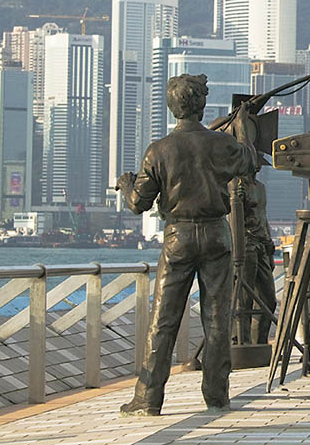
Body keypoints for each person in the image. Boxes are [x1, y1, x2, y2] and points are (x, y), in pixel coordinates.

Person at [117, 74, 257, 416]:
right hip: (215, 235)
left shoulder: (158, 150)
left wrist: (125, 184)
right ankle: (217, 395)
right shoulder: (220, 144)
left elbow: (139, 203)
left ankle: (148, 398)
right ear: (202, 104)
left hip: (178, 237)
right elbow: (250, 161)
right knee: (217, 316)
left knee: (163, 318)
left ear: (171, 106)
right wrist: (237, 127)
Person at [237, 170, 276, 344]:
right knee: (243, 299)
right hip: (245, 245)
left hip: (262, 245)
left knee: (269, 299)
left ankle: (260, 342)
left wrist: (269, 241)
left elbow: (263, 216)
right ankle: (241, 341)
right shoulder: (234, 185)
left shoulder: (260, 187)